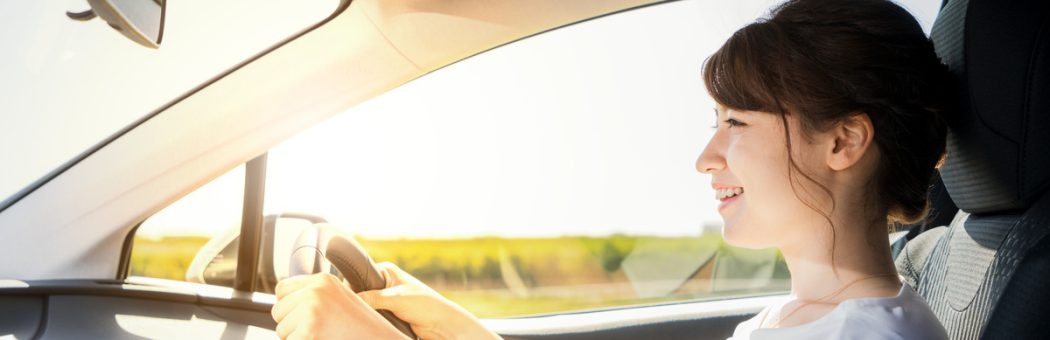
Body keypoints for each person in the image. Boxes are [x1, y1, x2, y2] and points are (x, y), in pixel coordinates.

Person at [270, 0, 952, 338]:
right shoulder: (800, 316)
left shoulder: (865, 336)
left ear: (842, 143)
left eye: (736, 124)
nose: (705, 158)